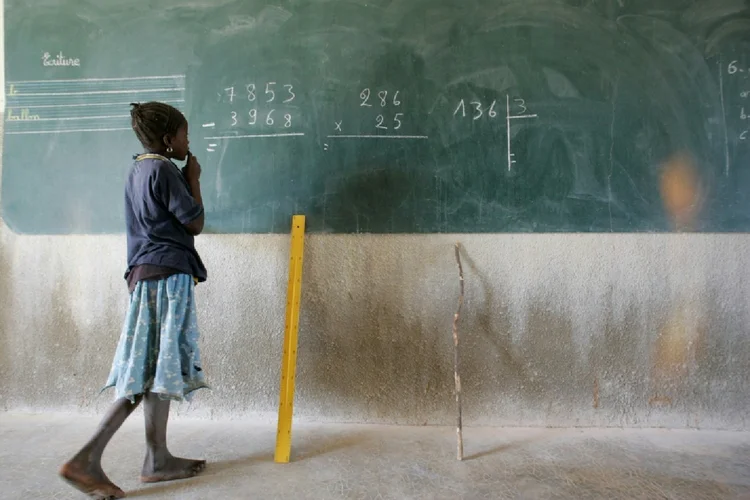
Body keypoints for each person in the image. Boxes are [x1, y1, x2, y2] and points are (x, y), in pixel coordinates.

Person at [59, 102, 209, 499]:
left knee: (158, 369)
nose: (188, 140)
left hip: (146, 274)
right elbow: (194, 222)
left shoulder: (139, 168)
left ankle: (157, 459)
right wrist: (193, 178)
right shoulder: (165, 169)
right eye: (184, 134)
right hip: (166, 275)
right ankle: (85, 459)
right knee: (147, 371)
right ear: (167, 139)